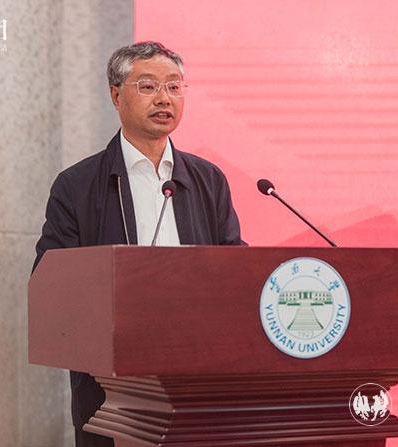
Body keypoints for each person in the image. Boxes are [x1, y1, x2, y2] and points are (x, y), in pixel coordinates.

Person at [33, 41, 245, 447]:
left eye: (174, 87)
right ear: (116, 96)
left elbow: (236, 271)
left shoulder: (208, 180)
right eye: (148, 86)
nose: (164, 99)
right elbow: (50, 283)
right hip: (112, 391)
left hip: (199, 380)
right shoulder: (78, 186)